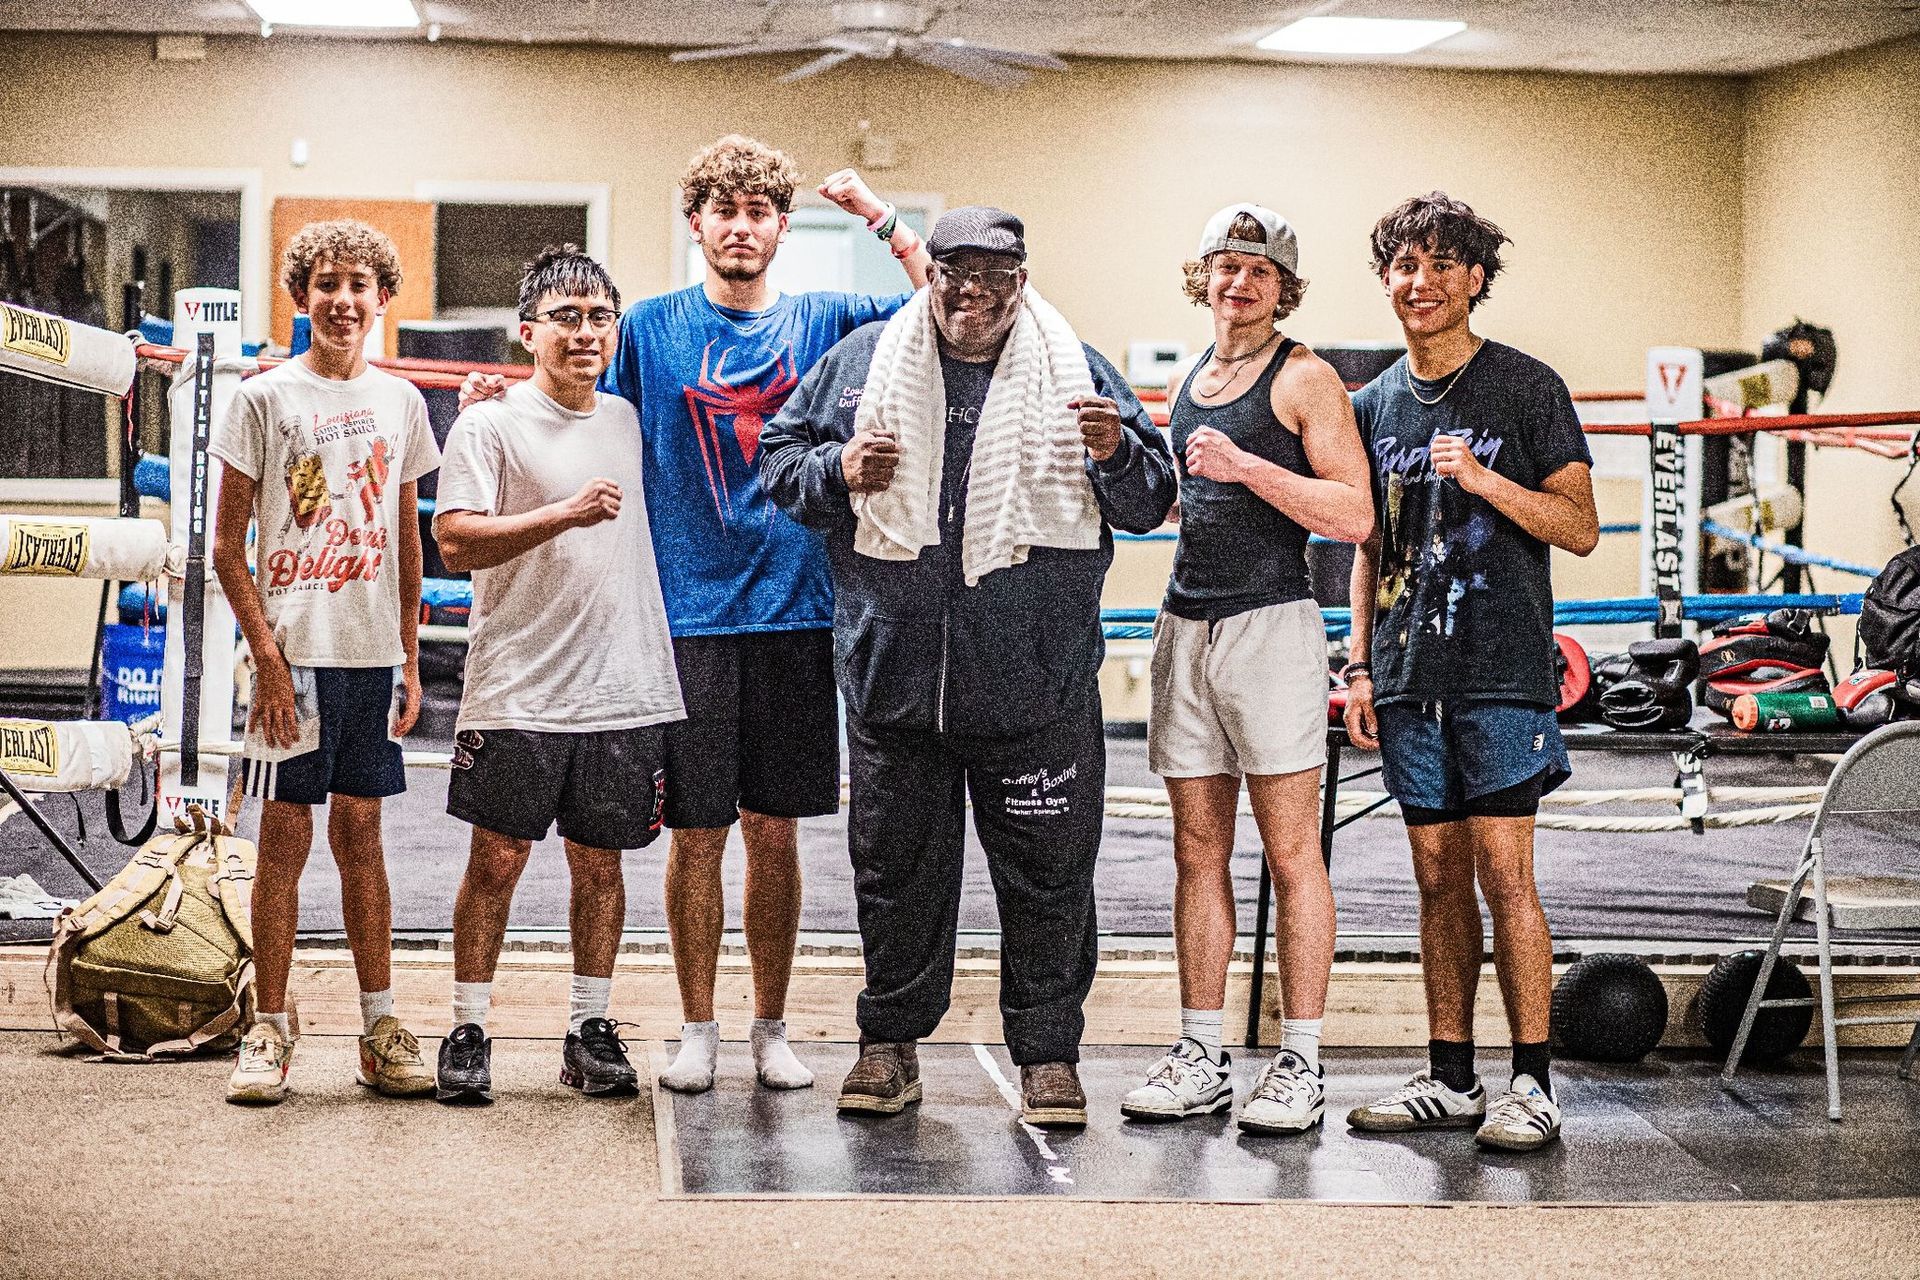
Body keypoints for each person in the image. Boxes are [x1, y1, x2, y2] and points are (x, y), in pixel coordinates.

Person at [460, 136, 929, 1093]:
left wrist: (879, 216)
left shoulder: (830, 317)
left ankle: (771, 1028)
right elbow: (575, 401)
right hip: (686, 618)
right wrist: (496, 399)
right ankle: (698, 1028)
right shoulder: (649, 327)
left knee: (777, 834)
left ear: (783, 227)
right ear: (697, 224)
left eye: (759, 213)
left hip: (798, 612)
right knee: (697, 835)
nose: (741, 228)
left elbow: (936, 310)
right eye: (725, 211)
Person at [761, 206, 1177, 1128]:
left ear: (1019, 283)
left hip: (1036, 688)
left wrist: (1112, 453)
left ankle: (1049, 1054)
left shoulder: (1076, 370)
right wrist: (839, 469)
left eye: (993, 276)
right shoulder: (864, 361)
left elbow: (1152, 500)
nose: (972, 293)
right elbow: (779, 460)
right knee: (894, 877)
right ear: (934, 277)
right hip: (895, 682)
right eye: (956, 274)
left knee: (1049, 879)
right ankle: (889, 1043)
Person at [1342, 192, 1599, 1152]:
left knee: (1505, 875)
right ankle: (1452, 1078)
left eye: (1442, 265)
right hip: (1409, 676)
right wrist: (1359, 664)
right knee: (1436, 879)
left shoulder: (1528, 387)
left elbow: (1580, 527)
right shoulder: (1372, 404)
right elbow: (1369, 547)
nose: (1421, 283)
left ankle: (1533, 1082)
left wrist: (1487, 482)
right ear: (1387, 281)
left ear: (1475, 279)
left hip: (1501, 672)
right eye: (1405, 267)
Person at [1120, 205, 1372, 1133]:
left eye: (1260, 271)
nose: (1240, 282)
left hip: (1271, 624)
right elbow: (1191, 501)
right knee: (1197, 852)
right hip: (1187, 622)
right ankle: (1202, 1052)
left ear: (1283, 289)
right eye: (1227, 266)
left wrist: (1243, 467)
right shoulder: (1190, 377)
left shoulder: (1305, 377)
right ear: (1205, 277)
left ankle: (1301, 1062)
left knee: (1292, 852)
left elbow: (1354, 515)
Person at [430, 247, 685, 1104]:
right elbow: (454, 540)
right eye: (565, 318)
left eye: (599, 317)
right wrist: (564, 514)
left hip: (622, 682)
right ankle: (468, 1028)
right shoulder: (489, 425)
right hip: (519, 683)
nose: (584, 333)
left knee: (601, 865)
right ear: (527, 332)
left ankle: (589, 1028)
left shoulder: (628, 418)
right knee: (496, 860)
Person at [213, 219, 440, 1105]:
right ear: (300, 295)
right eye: (327, 284)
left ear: (382, 299)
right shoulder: (265, 398)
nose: (343, 301)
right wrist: (267, 660)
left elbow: (408, 539)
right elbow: (227, 547)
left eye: (359, 286)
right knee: (283, 840)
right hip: (296, 657)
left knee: (362, 838)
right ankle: (268, 1027)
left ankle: (379, 1028)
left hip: (371, 655)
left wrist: (412, 656)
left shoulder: (402, 402)